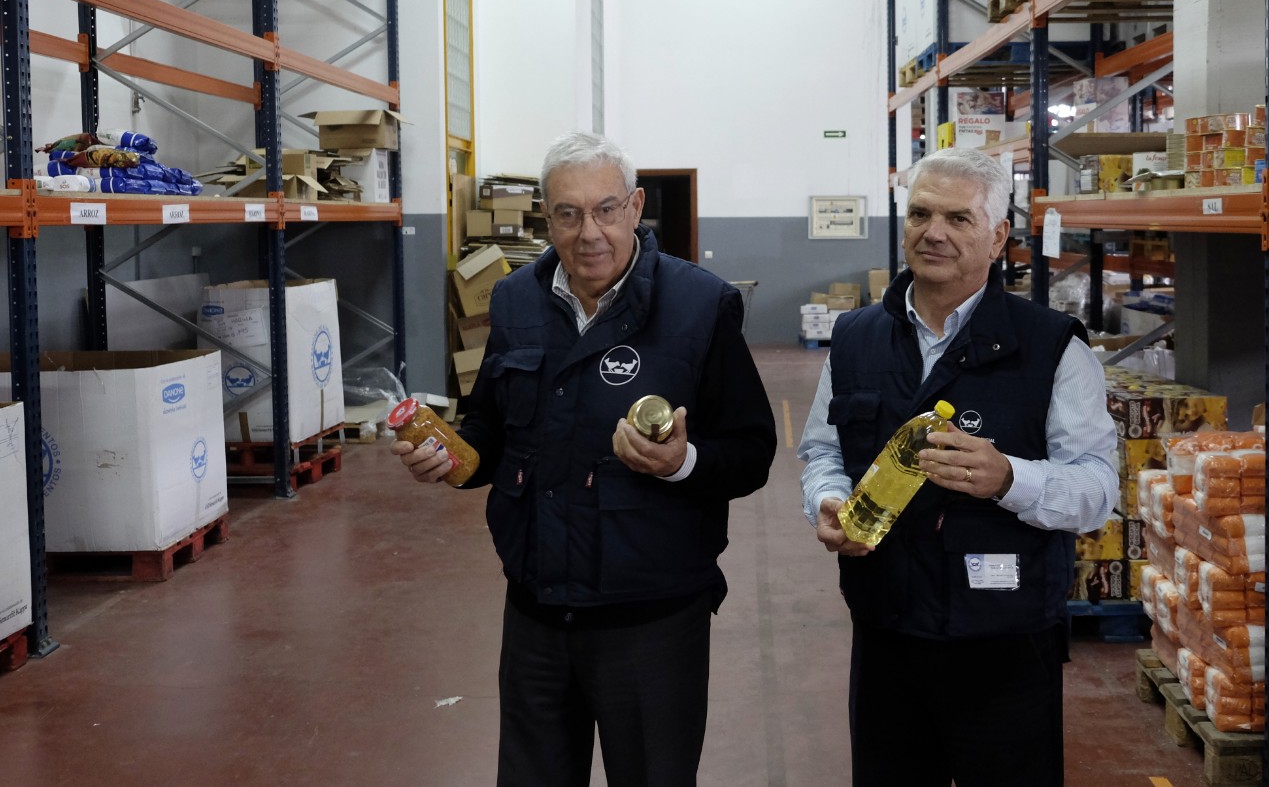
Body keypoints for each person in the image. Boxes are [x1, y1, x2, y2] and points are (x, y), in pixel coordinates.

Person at [394, 131, 777, 787]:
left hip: (651, 619)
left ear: (636, 206)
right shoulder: (515, 299)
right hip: (537, 611)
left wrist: (681, 462)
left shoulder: (700, 305)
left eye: (605, 210)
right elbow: (490, 427)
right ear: (547, 216)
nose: (589, 233)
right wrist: (453, 458)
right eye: (568, 214)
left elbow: (751, 451)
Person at [797, 146, 1117, 787]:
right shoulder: (856, 338)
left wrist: (1010, 479)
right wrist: (827, 501)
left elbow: (1098, 488)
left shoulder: (1051, 346)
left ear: (998, 237)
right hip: (887, 630)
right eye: (920, 214)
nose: (933, 232)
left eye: (958, 218)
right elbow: (823, 451)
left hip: (1004, 641)